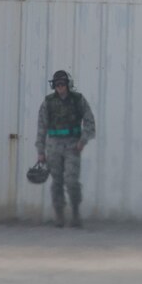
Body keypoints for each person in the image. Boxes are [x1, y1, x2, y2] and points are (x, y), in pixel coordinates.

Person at [36, 69, 96, 228]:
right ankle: (59, 214)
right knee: (57, 182)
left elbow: (90, 122)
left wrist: (83, 141)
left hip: (72, 145)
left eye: (62, 84)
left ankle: (75, 212)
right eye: (57, 84)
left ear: (68, 85)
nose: (60, 87)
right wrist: (41, 151)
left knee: (71, 181)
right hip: (54, 145)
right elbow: (42, 127)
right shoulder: (48, 102)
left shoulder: (78, 100)